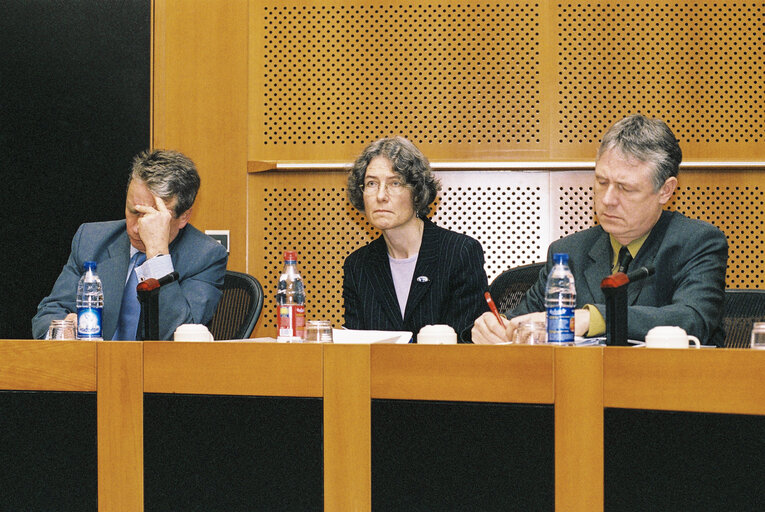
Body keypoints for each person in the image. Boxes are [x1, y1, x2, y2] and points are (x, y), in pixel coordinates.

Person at [472, 114, 728, 346]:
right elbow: (525, 319)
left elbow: (693, 319)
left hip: (667, 389)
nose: (607, 199)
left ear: (666, 190)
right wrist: (497, 327)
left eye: (625, 188)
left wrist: (592, 318)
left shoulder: (697, 242)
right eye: (601, 182)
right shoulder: (568, 252)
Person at [32, 149, 228, 340]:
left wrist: (158, 255)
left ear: (184, 216)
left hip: (157, 371)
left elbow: (178, 336)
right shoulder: (91, 239)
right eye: (133, 212)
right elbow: (49, 313)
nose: (136, 228)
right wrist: (62, 329)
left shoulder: (206, 256)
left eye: (152, 218)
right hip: (93, 367)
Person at [343, 136, 489, 342]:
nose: (381, 195)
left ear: (417, 192)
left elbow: (468, 341)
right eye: (371, 183)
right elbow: (355, 349)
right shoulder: (358, 265)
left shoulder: (459, 253)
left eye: (395, 183)